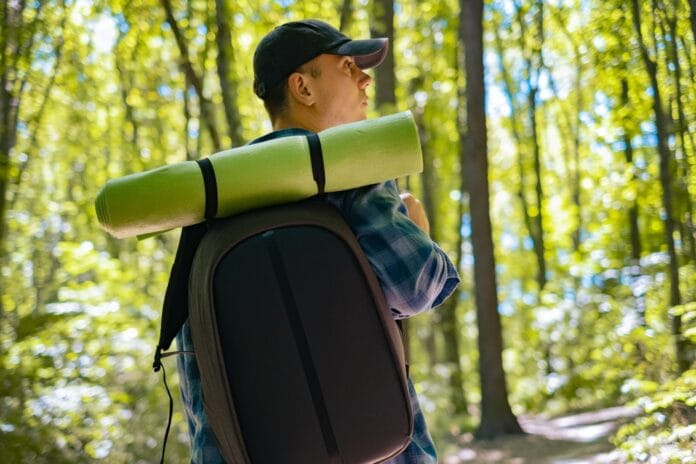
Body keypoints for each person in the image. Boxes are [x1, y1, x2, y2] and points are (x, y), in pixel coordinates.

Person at [176, 19, 460, 463]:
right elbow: (417, 286)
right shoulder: (351, 173)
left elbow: (200, 382)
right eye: (348, 66)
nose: (365, 77)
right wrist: (417, 225)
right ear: (303, 88)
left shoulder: (206, 207)